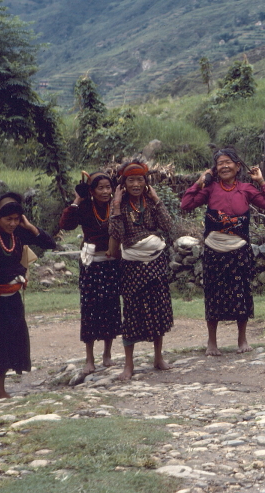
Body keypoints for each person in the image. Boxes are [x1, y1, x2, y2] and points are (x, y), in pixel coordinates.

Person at [181, 147, 265, 356]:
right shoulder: (210, 189)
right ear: (215, 169)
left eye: (228, 162)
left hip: (238, 250)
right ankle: (212, 342)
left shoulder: (246, 189)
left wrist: (261, 181)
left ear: (238, 166)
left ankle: (242, 339)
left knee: (241, 293)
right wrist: (199, 182)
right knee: (213, 294)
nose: (224, 166)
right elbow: (186, 204)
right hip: (214, 250)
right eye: (220, 163)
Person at [0, 192, 56, 400]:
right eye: (8, 219)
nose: (12, 223)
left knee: (8, 340)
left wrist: (30, 227)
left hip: (11, 297)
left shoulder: (18, 233)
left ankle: (1, 388)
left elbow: (50, 243)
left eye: (16, 219)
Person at [109, 159, 177, 381]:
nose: (136, 184)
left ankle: (158, 357)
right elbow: (117, 234)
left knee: (158, 309)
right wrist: (117, 205)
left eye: (140, 179)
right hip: (132, 266)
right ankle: (128, 365)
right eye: (131, 180)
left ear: (146, 182)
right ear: (124, 183)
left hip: (155, 262)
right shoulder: (118, 206)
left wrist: (157, 199)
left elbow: (168, 227)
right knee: (131, 312)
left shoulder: (151, 203)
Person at [59, 171, 122, 375]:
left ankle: (107, 355)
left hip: (111, 263)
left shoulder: (116, 205)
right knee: (90, 309)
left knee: (111, 307)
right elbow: (65, 224)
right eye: (100, 188)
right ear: (92, 191)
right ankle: (89, 358)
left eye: (108, 187)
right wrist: (78, 199)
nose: (105, 191)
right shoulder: (85, 206)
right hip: (91, 265)